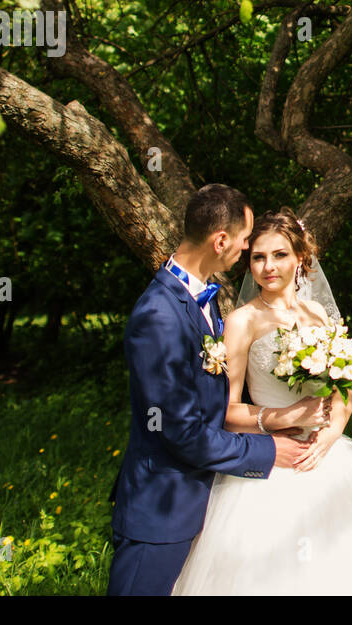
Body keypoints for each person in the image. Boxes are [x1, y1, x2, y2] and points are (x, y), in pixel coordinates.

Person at [172, 207, 352, 595]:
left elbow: (344, 387)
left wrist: (330, 436)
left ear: (301, 257)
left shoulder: (316, 312)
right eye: (258, 256)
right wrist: (283, 417)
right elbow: (226, 413)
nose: (268, 266)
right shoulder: (241, 322)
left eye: (279, 255)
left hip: (329, 459)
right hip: (271, 458)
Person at [107, 185, 315, 595]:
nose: (245, 249)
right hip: (161, 507)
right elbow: (181, 431)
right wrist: (270, 448)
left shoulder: (198, 300)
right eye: (244, 241)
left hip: (199, 495)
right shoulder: (159, 315)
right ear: (220, 241)